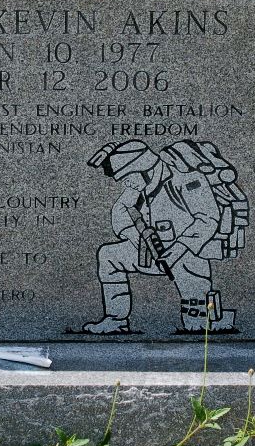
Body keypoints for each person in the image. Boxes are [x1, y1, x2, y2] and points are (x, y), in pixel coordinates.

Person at [82, 139, 222, 334]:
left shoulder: (187, 179)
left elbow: (208, 218)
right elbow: (120, 212)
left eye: (127, 177)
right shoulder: (138, 187)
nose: (126, 183)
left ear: (143, 167)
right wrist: (135, 236)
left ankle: (204, 319)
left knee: (197, 327)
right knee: (109, 255)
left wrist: (179, 247)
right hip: (150, 251)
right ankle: (116, 320)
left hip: (186, 253)